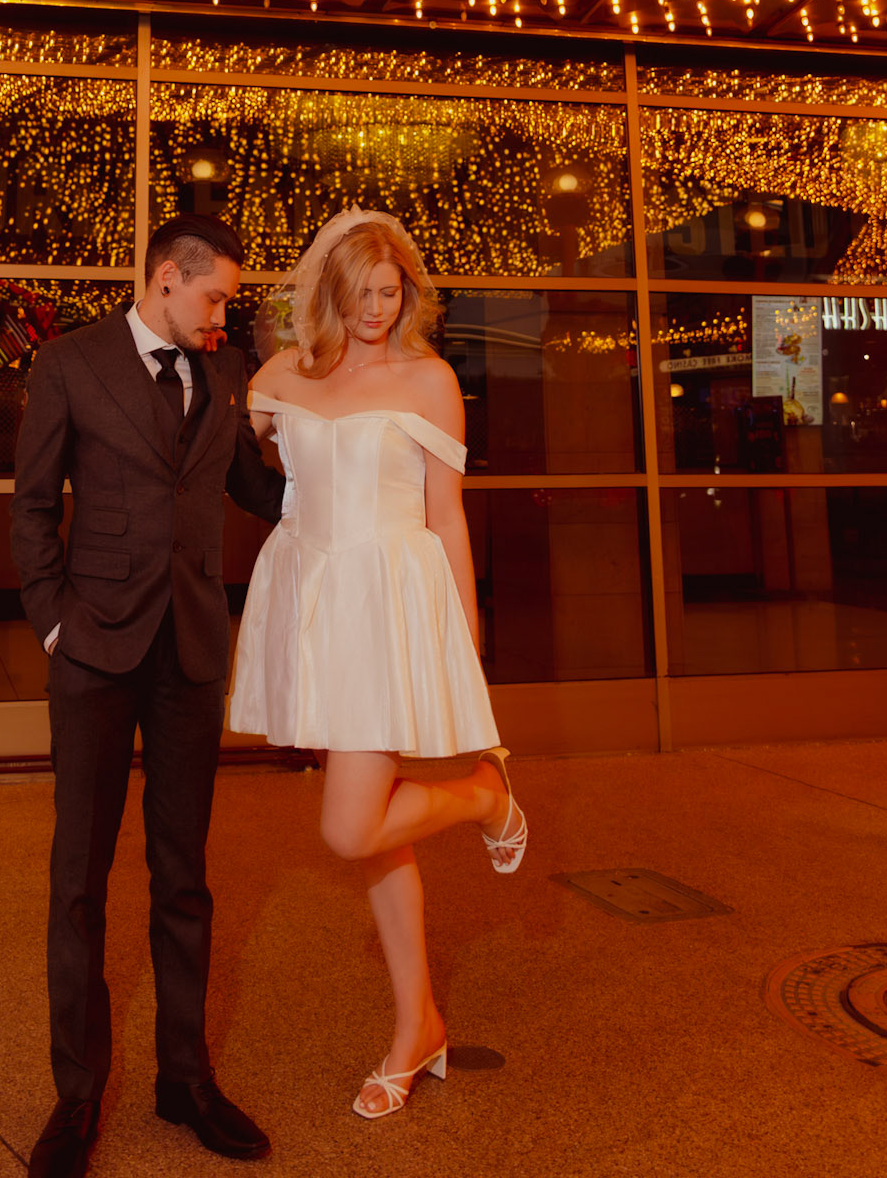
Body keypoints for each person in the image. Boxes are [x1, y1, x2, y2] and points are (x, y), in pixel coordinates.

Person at [230, 208, 527, 1121]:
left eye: (389, 292)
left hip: (388, 604)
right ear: (329, 291)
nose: (374, 309)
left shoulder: (430, 379)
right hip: (313, 602)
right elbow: (242, 459)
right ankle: (417, 1024)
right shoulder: (284, 374)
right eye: (359, 292)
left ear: (409, 294)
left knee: (349, 829)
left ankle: (480, 795)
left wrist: (465, 631)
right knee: (373, 837)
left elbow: (445, 513)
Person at [11, 215, 286, 1178]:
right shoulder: (69, 363)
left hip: (190, 651)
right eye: (214, 298)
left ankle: (185, 1079)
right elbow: (32, 506)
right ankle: (77, 1096)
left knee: (184, 875)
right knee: (78, 879)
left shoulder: (225, 369)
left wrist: (361, 489)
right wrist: (55, 625)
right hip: (91, 647)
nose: (222, 317)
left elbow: (257, 489)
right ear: (167, 278)